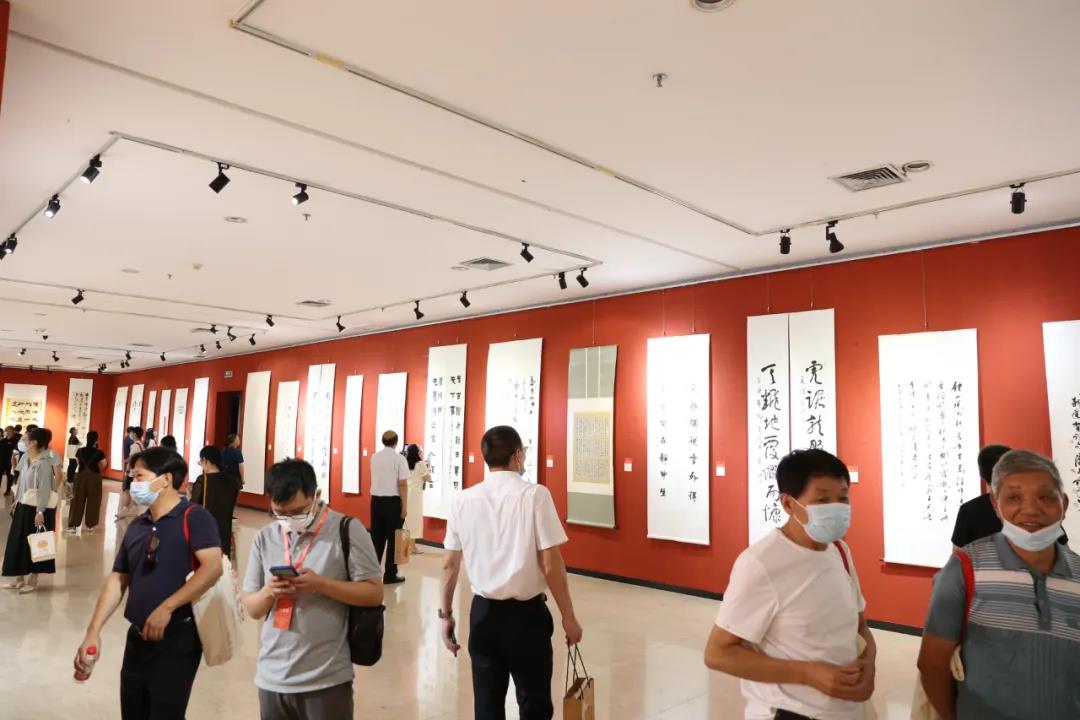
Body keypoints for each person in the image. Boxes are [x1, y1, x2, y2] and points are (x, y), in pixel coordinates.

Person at [705, 449, 876, 720]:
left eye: (843, 498)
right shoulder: (760, 563)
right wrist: (808, 674)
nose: (836, 508)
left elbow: (860, 626)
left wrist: (869, 663)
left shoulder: (840, 551)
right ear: (788, 504)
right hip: (791, 713)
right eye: (822, 500)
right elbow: (718, 653)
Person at [918, 450, 1079, 720]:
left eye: (1045, 497)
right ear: (995, 503)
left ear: (1063, 503)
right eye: (1014, 497)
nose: (1031, 509)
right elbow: (932, 664)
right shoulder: (963, 570)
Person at [440, 425, 583, 720]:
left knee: (487, 705)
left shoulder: (462, 500)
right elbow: (551, 564)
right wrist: (568, 617)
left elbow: (449, 565)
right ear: (518, 455)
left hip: (482, 615)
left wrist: (446, 615)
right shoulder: (535, 495)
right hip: (526, 618)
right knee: (534, 703)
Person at [74, 447, 223, 720]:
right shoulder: (138, 525)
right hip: (137, 638)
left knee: (165, 713)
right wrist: (93, 632)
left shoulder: (195, 517)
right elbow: (118, 579)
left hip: (178, 639)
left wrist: (167, 607)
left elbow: (212, 568)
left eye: (139, 476)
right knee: (133, 710)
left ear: (165, 479)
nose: (133, 483)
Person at [241, 458, 383, 720]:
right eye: (280, 513)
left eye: (297, 512)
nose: (289, 520)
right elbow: (251, 608)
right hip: (272, 677)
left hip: (326, 678)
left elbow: (374, 593)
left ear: (316, 495)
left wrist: (321, 585)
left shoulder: (347, 530)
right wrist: (270, 591)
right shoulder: (265, 537)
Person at [951, 444, 1069, 548]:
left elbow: (957, 555)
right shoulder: (1044, 508)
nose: (1030, 511)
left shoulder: (969, 510)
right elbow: (1064, 550)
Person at [2, 428, 60, 593]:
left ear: (34, 442)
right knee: (18, 542)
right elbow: (21, 482)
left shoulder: (44, 463)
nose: (22, 441)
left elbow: (44, 489)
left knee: (36, 543)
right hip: (23, 505)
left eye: (25, 439)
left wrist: (40, 512)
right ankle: (18, 578)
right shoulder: (26, 458)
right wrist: (16, 500)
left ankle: (33, 579)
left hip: (37, 509)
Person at [370, 430, 410, 584]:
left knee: (376, 538)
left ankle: (372, 573)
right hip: (393, 502)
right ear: (396, 442)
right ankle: (390, 575)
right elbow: (402, 484)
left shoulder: (374, 457)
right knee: (394, 539)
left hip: (376, 501)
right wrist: (404, 506)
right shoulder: (399, 459)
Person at [191, 446, 240, 560]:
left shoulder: (203, 480)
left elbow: (194, 506)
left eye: (201, 462)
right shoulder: (232, 480)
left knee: (207, 563)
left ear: (206, 460)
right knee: (223, 562)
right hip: (225, 531)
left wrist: (189, 497)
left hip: (206, 530)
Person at [67, 431, 107, 534]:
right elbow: (104, 465)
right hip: (94, 477)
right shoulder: (100, 452)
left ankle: (73, 526)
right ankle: (90, 526)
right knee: (94, 500)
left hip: (80, 476)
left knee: (77, 500)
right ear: (96, 440)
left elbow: (77, 462)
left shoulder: (80, 451)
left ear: (87, 438)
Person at [405, 444, 431, 553]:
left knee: (407, 520)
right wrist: (428, 468)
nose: (421, 453)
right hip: (415, 495)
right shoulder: (420, 464)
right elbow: (428, 478)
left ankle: (407, 546)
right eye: (420, 451)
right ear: (417, 453)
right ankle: (413, 546)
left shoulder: (405, 463)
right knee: (415, 520)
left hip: (406, 493)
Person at [0, 425, 15, 496]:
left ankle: (8, 490)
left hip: (10, 462)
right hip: (1, 461)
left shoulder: (15, 440)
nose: (7, 432)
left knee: (10, 477)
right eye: (6, 431)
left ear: (12, 431)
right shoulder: (3, 440)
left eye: (9, 430)